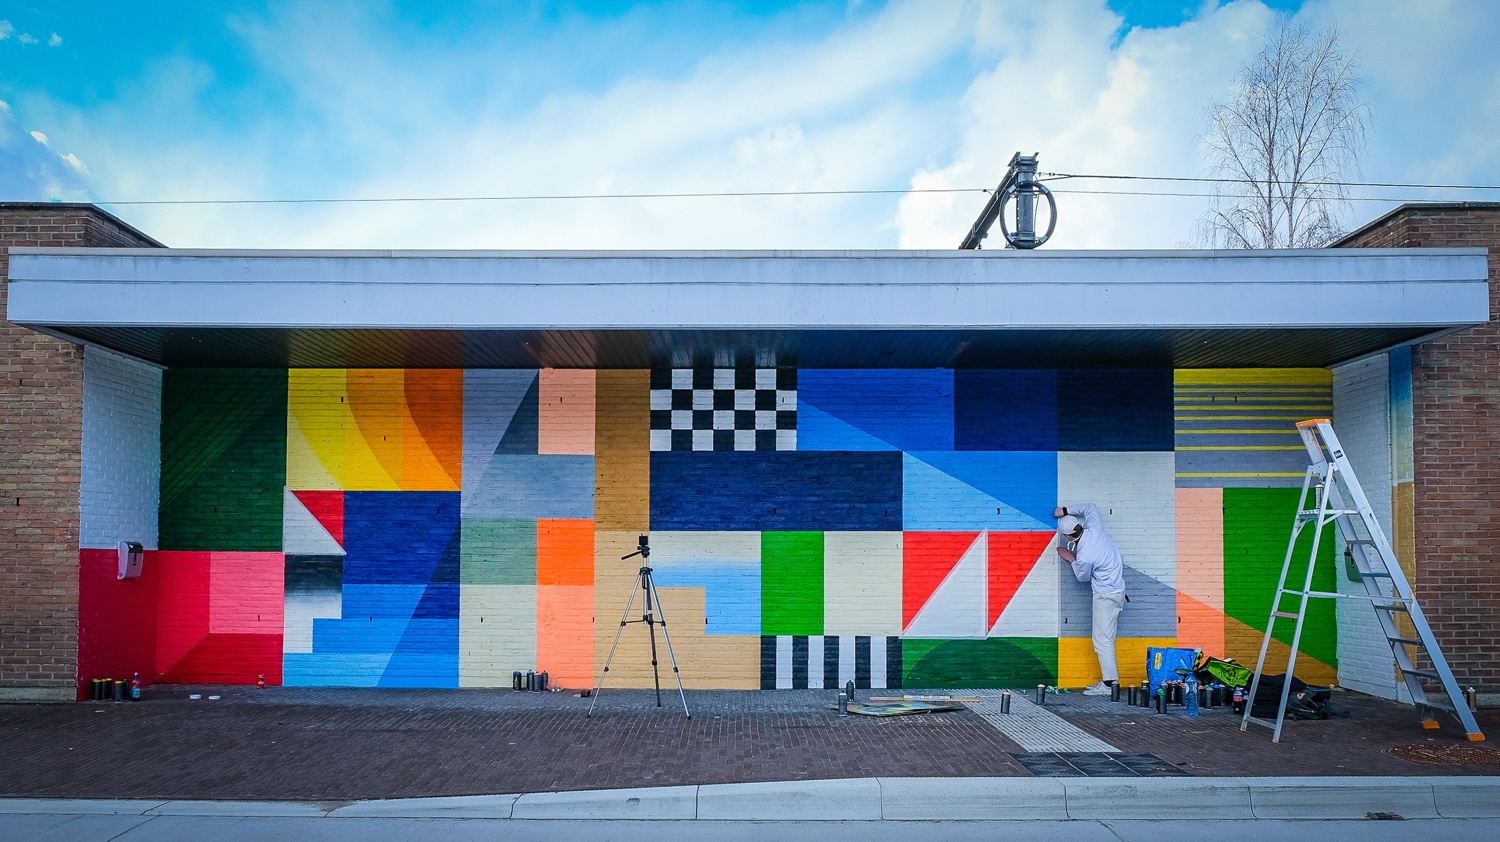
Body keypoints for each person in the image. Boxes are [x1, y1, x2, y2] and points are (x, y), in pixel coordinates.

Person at [1054, 503, 1127, 696]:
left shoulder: (1085, 555)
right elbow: (1091, 507)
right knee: (1106, 639)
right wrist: (1066, 510)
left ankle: (1110, 685)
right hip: (1116, 592)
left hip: (1105, 596)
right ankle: (1107, 681)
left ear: (1069, 537)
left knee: (1102, 641)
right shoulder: (1094, 528)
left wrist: (1071, 558)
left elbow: (1082, 576)